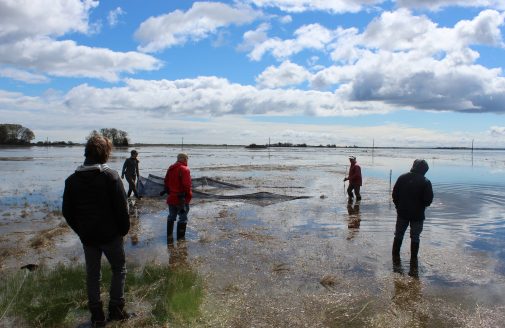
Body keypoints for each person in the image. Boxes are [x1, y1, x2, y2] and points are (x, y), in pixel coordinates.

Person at [62, 135, 133, 327]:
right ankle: (116, 310)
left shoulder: (72, 180)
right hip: (110, 236)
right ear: (105, 153)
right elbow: (122, 209)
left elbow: (67, 212)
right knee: (119, 269)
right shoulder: (110, 177)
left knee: (93, 275)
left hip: (89, 238)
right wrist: (123, 231)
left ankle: (97, 316)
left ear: (87, 153)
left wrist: (81, 231)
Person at [392, 159, 433, 271]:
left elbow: (395, 194)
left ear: (414, 166)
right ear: (424, 170)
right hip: (417, 215)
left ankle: (395, 258)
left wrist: (398, 206)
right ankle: (413, 261)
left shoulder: (402, 177)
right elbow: (428, 201)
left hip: (402, 213)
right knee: (415, 237)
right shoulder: (426, 182)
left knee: (398, 235)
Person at [164, 153, 192, 243]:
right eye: (187, 159)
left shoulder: (170, 168)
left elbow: (166, 182)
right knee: (183, 218)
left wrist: (170, 192)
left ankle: (169, 236)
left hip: (171, 197)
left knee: (171, 217)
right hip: (181, 199)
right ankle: (180, 240)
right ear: (183, 159)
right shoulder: (185, 169)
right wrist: (188, 196)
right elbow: (187, 185)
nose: (187, 161)